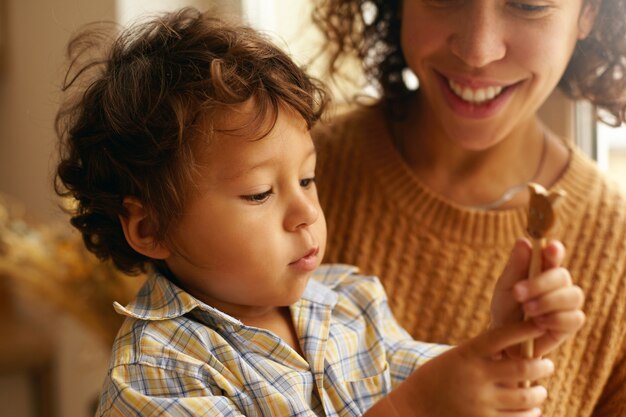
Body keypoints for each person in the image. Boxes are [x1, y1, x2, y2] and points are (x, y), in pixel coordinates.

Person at [54, 8, 585, 417]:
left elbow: (450, 386)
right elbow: (425, 401)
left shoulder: (350, 304)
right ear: (150, 228)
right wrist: (411, 408)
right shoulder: (157, 371)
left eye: (308, 179)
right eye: (260, 193)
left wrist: (504, 343)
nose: (306, 212)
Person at [311, 1, 626, 416]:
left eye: (528, 3)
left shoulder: (617, 260)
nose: (478, 51)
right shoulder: (277, 186)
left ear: (590, 13)